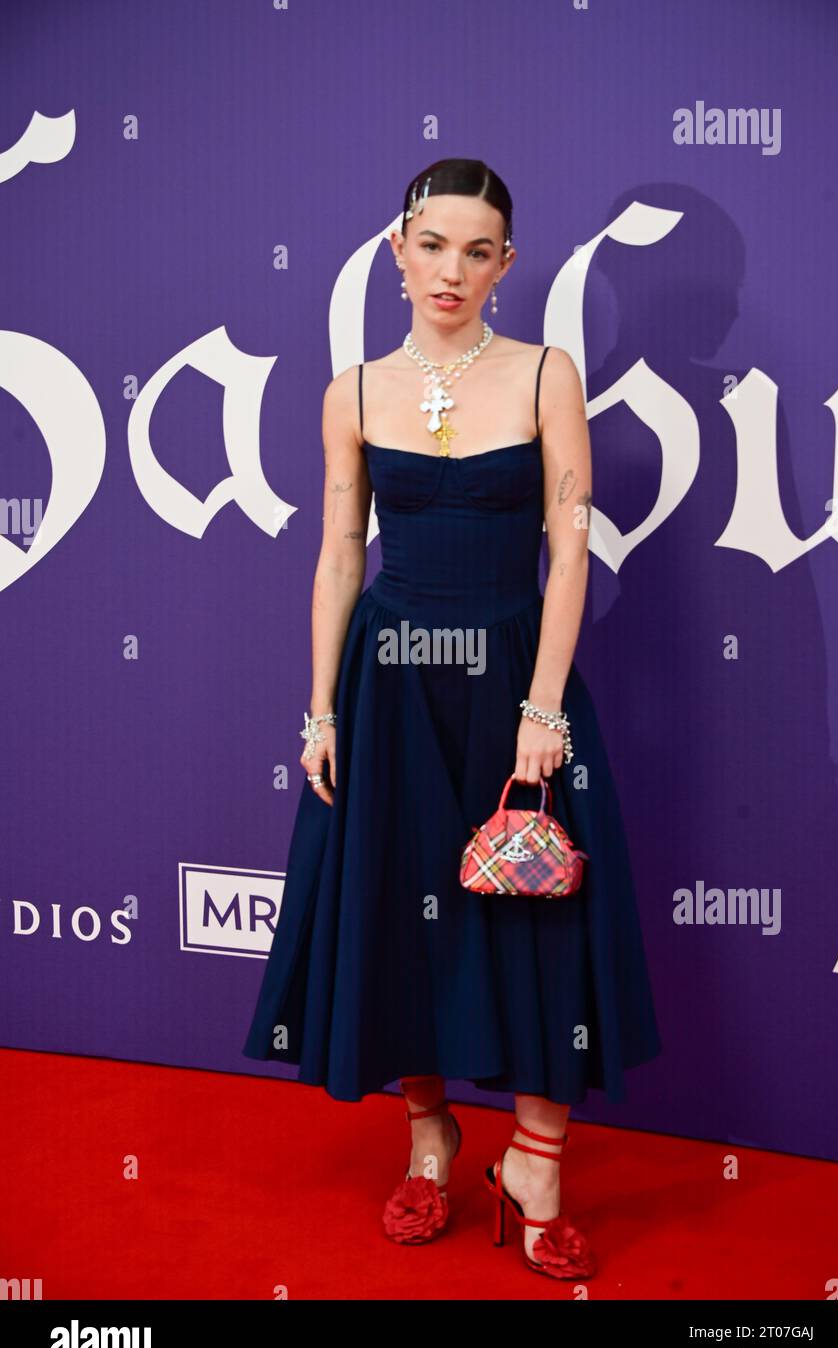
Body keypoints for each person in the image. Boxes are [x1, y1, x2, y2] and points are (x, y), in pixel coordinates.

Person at [242, 158, 661, 1281]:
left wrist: (542, 708)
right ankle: (430, 1138)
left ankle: (537, 1161)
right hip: (391, 679)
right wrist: (321, 708)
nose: (452, 270)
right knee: (398, 904)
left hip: (516, 678)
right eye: (433, 245)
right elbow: (338, 553)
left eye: (478, 251)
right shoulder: (354, 391)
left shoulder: (542, 376)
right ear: (399, 248)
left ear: (505, 265)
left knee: (536, 898)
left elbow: (570, 551)